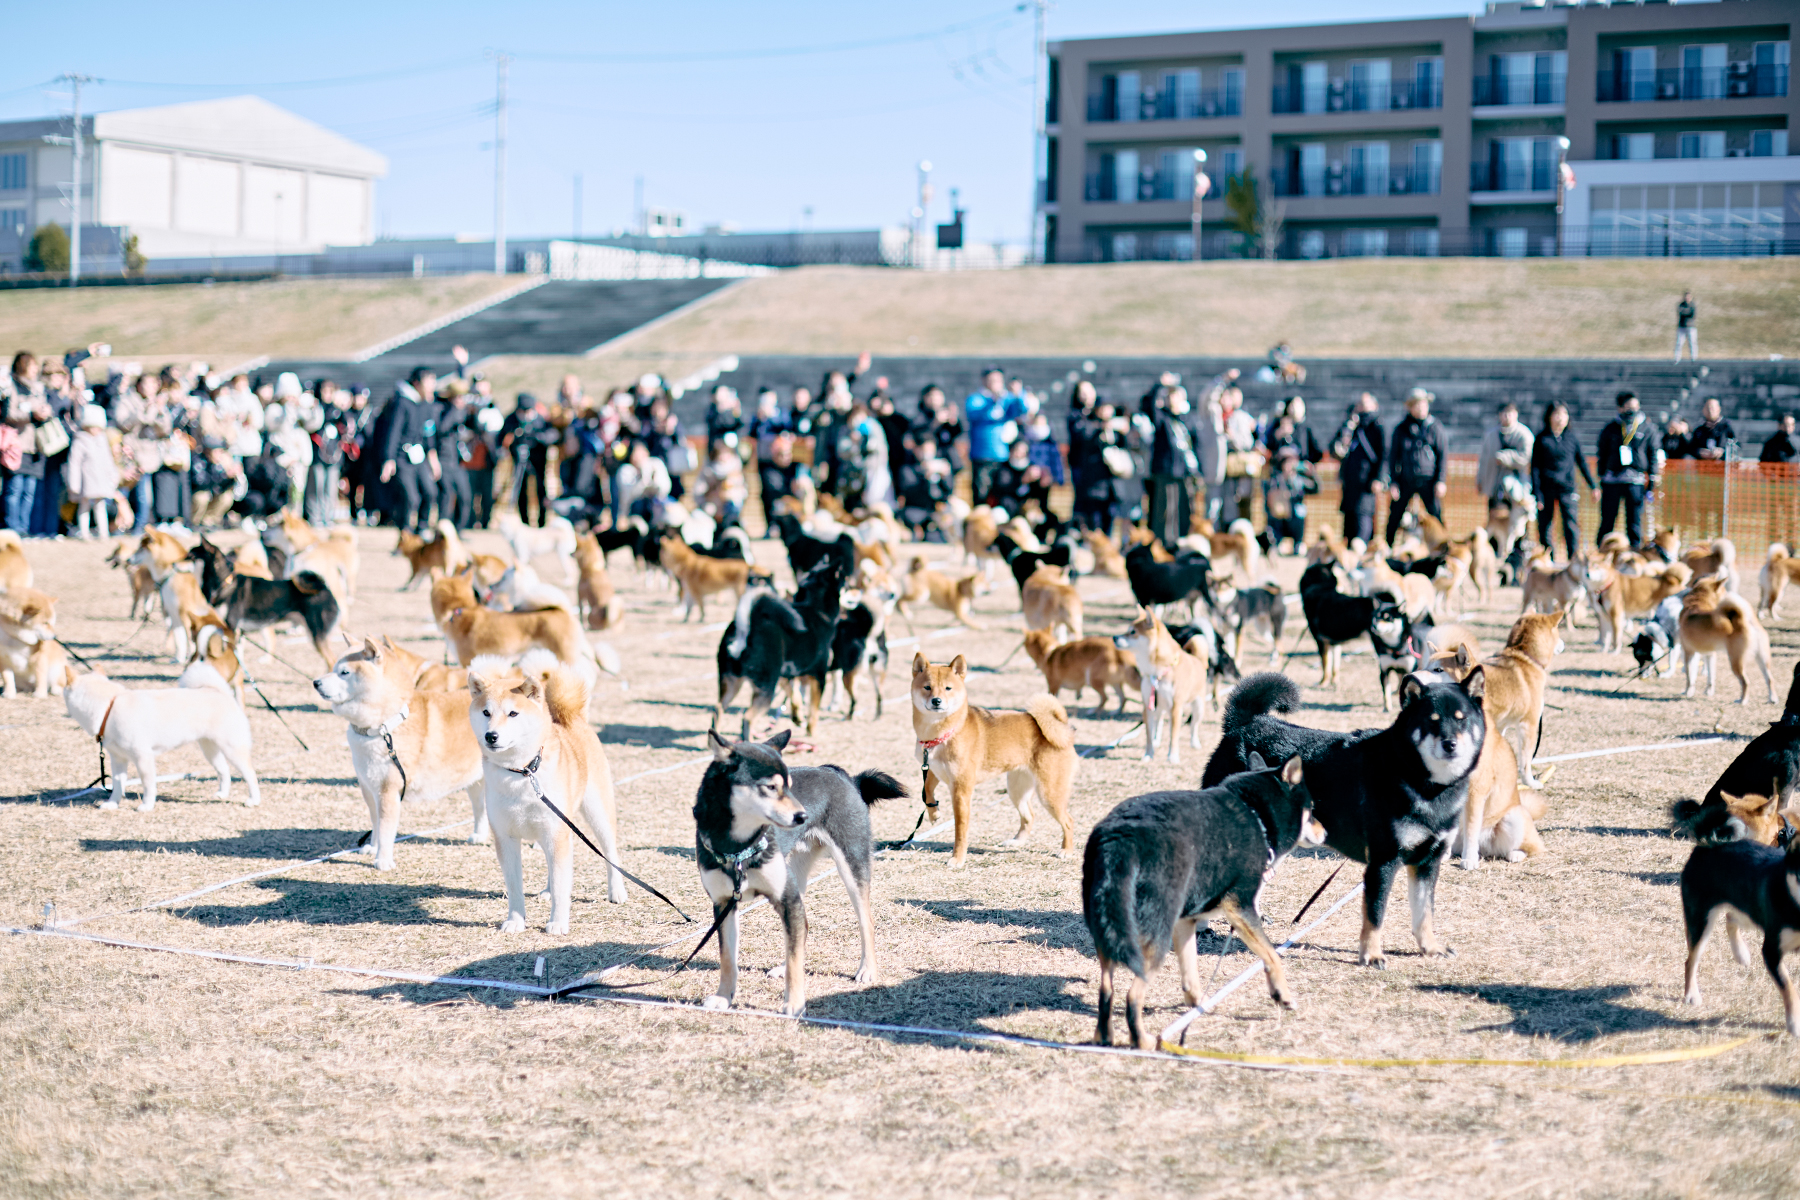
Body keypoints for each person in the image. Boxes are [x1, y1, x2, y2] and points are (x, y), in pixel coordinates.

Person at [1531, 401, 1595, 561]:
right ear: (1549, 417)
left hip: (1567, 488)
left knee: (1570, 525)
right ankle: (1548, 559)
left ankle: (1573, 559)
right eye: (1557, 414)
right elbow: (1535, 468)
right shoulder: (1541, 438)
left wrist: (1593, 486)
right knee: (1545, 526)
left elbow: (1582, 463)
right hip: (1546, 489)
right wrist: (1537, 494)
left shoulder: (1571, 438)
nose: (1561, 418)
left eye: (1564, 414)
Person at [379, 367, 440, 533]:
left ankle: (422, 530)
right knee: (411, 497)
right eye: (430, 381)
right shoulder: (401, 403)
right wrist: (389, 459)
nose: (433, 385)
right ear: (417, 383)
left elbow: (429, 433)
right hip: (402, 458)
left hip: (419, 457)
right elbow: (393, 433)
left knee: (430, 492)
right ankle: (405, 535)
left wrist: (433, 459)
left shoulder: (426, 404)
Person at [1596, 389, 1657, 549]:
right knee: (1608, 520)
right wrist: (1602, 474)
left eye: (1635, 406)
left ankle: (1635, 552)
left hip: (1635, 481)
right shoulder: (1610, 428)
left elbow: (1652, 454)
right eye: (1628, 407)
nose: (1632, 410)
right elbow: (1602, 452)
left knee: (1634, 522)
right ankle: (1601, 551)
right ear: (1620, 408)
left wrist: (1651, 479)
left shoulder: (1647, 428)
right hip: (1612, 480)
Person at [1385, 388, 1448, 543]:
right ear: (1410, 407)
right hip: (1405, 478)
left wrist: (1441, 480)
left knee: (1436, 515)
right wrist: (1393, 482)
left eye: (1423, 404)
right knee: (1395, 515)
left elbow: (1442, 455)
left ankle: (1441, 547)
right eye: (1417, 404)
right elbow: (1393, 457)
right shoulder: (1401, 429)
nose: (1421, 408)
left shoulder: (1435, 427)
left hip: (1429, 480)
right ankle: (1388, 546)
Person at [964, 366, 1028, 505]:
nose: (995, 383)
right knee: (981, 494)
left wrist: (1019, 394)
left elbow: (1021, 411)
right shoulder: (976, 399)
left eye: (998, 380)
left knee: (1002, 495)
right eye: (991, 380)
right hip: (982, 456)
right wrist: (994, 400)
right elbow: (976, 414)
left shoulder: (1007, 399)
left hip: (1003, 456)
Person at [1331, 392, 1387, 544]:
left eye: (1364, 403)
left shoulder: (1377, 427)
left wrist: (1379, 478)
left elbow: (1384, 455)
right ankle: (1349, 548)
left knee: (1363, 517)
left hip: (1366, 482)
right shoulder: (1350, 426)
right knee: (1349, 518)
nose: (1360, 406)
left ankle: (1362, 547)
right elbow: (1334, 448)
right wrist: (1347, 428)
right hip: (1349, 481)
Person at [1146, 384, 1197, 547]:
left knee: (1183, 509)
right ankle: (1163, 543)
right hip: (1166, 471)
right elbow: (1148, 405)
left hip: (1184, 473)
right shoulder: (1162, 418)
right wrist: (1159, 386)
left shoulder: (1185, 420)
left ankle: (1180, 542)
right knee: (1165, 510)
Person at [65, 403, 121, 540]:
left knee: (100, 506)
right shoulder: (80, 442)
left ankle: (103, 533)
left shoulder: (102, 440)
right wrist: (74, 483)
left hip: (101, 480)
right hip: (87, 481)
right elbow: (74, 464)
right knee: (84, 507)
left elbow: (108, 461)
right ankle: (84, 532)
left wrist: (113, 476)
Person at [500, 392, 556, 525]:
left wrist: (539, 437)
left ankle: (542, 521)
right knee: (521, 489)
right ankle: (524, 521)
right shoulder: (512, 419)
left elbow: (552, 434)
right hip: (519, 459)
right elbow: (502, 437)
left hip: (538, 459)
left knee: (540, 489)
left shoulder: (540, 420)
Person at [432, 380, 477, 529]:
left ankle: (458, 530)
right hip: (443, 459)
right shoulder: (441, 408)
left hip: (457, 461)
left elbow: (474, 428)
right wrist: (454, 409)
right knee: (446, 496)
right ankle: (442, 530)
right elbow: (442, 428)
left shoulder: (463, 409)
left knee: (465, 497)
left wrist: (473, 412)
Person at [304, 379, 348, 525]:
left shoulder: (337, 410)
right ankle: (314, 517)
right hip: (318, 455)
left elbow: (346, 427)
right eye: (325, 391)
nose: (328, 394)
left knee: (330, 488)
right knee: (317, 487)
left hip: (333, 455)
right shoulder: (315, 408)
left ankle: (327, 517)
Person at [1262, 445, 1317, 555]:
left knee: (1300, 509)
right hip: (1279, 518)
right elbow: (1268, 495)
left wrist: (1312, 474)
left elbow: (1315, 489)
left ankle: (1298, 543)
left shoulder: (1299, 479)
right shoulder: (1274, 479)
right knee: (1273, 512)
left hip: (1294, 520)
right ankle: (1276, 542)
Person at [897, 435, 954, 538]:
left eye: (931, 450)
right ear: (916, 450)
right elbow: (910, 492)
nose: (928, 454)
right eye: (924, 450)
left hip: (935, 515)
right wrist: (925, 477)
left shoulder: (939, 466)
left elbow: (947, 493)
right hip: (914, 514)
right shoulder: (907, 469)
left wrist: (945, 476)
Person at [1477, 401, 1534, 502]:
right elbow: (1484, 459)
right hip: (1494, 483)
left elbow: (1526, 457)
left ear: (1516, 414)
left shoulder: (1524, 434)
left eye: (1510, 413)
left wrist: (1505, 458)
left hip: (1518, 486)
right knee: (1495, 515)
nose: (1507, 416)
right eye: (1504, 413)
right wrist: (1480, 480)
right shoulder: (1491, 435)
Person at [1685, 397, 1735, 461]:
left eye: (1712, 408)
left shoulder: (1727, 427)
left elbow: (1737, 447)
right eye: (1708, 408)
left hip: (1722, 466)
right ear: (1703, 410)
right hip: (1703, 467)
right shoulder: (1699, 429)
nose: (1710, 411)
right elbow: (1691, 448)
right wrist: (1700, 452)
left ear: (1719, 409)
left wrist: (1722, 452)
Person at [1675, 290, 1698, 363]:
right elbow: (1681, 312)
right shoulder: (1681, 305)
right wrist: (1687, 312)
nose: (1687, 298)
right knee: (1679, 343)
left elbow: (1692, 315)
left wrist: (1686, 312)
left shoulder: (1692, 305)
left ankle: (1693, 358)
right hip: (1682, 326)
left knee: (1692, 343)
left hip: (1691, 327)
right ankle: (1677, 359)